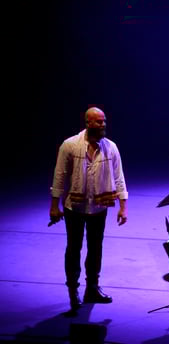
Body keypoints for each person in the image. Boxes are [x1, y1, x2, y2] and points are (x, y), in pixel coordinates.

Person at [49, 107, 128, 311]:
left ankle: (92, 288)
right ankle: (73, 290)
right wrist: (54, 206)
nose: (103, 125)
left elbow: (119, 177)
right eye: (99, 121)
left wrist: (123, 207)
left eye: (104, 121)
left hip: (99, 207)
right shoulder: (70, 145)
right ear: (88, 123)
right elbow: (59, 175)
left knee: (95, 248)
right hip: (74, 207)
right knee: (73, 248)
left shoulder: (111, 147)